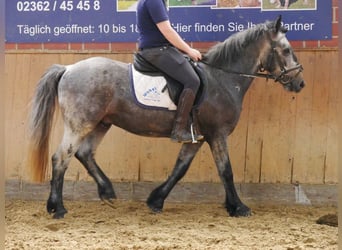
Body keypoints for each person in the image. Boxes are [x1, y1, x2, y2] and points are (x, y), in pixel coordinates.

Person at [136, 0, 204, 143]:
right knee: (192, 81)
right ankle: (179, 130)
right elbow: (167, 30)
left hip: (160, 49)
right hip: (157, 50)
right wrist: (189, 50)